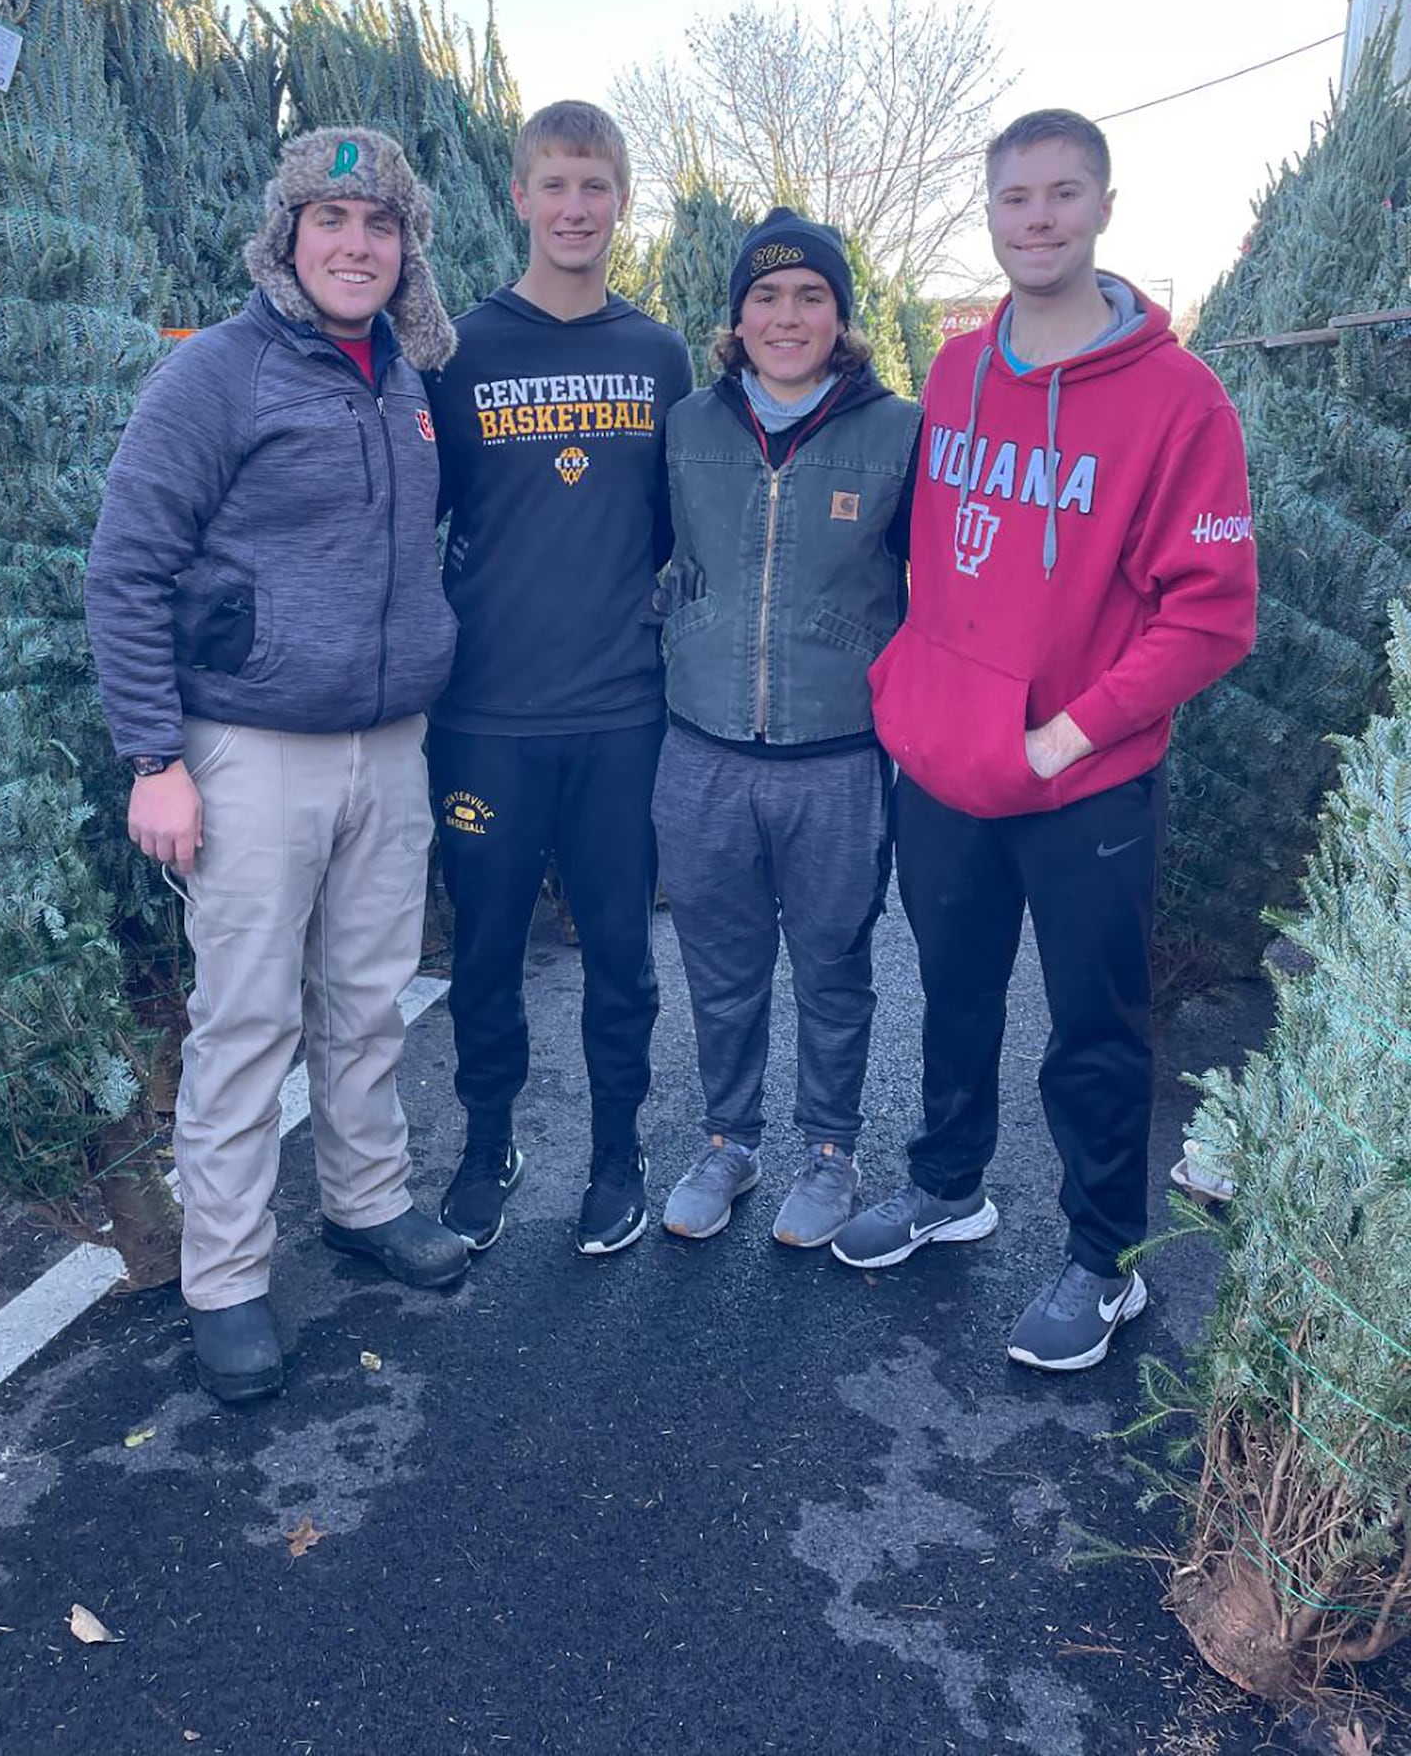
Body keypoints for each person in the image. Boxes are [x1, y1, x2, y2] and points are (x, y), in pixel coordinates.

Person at [833, 109, 1257, 1373]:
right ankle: (948, 1186)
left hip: (1087, 781)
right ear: (989, 210)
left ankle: (1101, 1260)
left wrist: (1065, 733)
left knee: (1092, 1027)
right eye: (1015, 197)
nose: (1036, 217)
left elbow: (1212, 615)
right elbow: (932, 558)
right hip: (949, 767)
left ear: (1104, 208)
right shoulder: (958, 368)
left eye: (1062, 194)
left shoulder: (1180, 401)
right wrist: (915, 690)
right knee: (952, 994)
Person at [85, 126, 470, 1405]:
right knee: (246, 1021)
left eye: (380, 226)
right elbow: (125, 569)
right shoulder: (219, 375)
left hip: (390, 746)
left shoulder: (407, 381)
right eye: (332, 222)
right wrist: (155, 758)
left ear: (405, 247)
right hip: (249, 751)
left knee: (369, 998)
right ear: (287, 236)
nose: (356, 246)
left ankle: (366, 1204)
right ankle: (228, 1279)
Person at [424, 100, 692, 1258]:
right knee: (483, 949)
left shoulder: (657, 353)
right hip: (484, 719)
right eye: (554, 186)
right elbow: (411, 521)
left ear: (621, 200)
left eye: (595, 187)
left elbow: (685, 533)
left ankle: (616, 1153)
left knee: (621, 955)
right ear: (520, 197)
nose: (574, 208)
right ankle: (488, 1142)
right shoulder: (462, 349)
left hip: (621, 717)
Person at [654, 210, 919, 1248]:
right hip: (701, 751)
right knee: (719, 964)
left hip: (837, 760)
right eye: (764, 295)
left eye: (810, 294)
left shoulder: (899, 430)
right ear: (735, 315)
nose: (786, 313)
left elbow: (938, 592)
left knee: (832, 964)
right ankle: (728, 1139)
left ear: (841, 314)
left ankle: (828, 1149)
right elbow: (647, 560)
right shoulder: (686, 426)